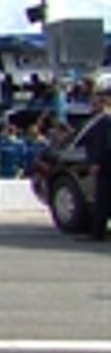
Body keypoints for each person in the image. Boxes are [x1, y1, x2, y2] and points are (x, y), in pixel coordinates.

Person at [79, 87, 110, 242]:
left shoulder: (104, 121)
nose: (93, 106)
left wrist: (96, 162)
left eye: (96, 103)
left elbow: (102, 144)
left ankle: (97, 233)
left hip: (105, 167)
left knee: (102, 200)